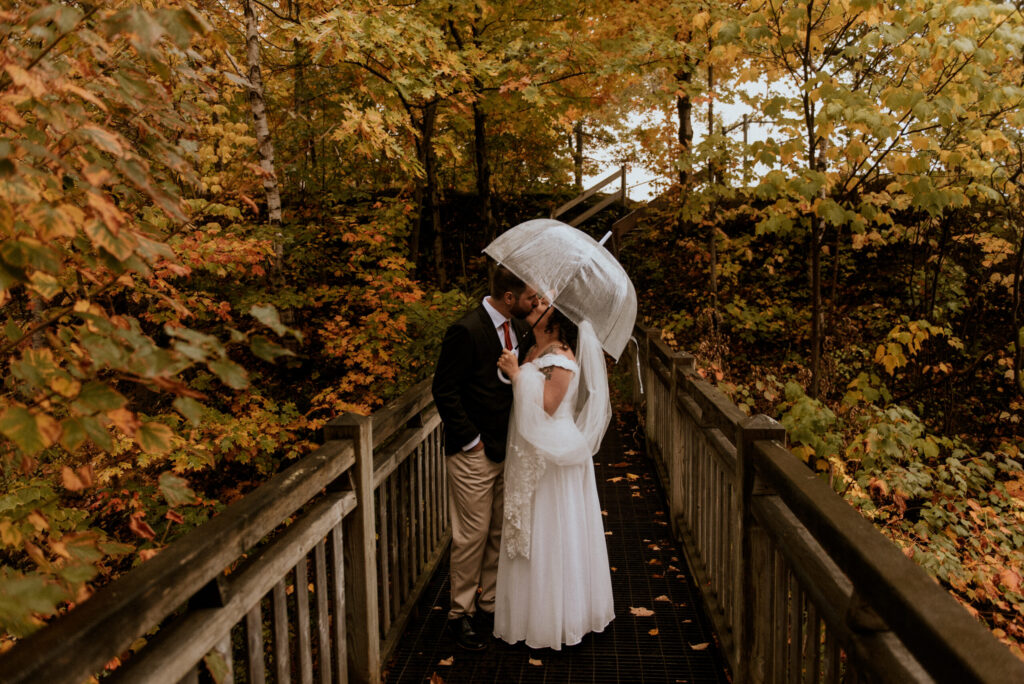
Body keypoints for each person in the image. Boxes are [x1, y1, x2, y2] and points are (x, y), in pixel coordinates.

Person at [493, 300, 615, 650]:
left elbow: (547, 406)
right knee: (533, 529)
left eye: (545, 303)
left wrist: (517, 375)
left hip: (554, 453)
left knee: (553, 529)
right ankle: (529, 613)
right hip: (532, 449)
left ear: (558, 318)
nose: (537, 304)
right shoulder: (534, 349)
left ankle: (561, 617)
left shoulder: (561, 357)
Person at [431, 265, 539, 651]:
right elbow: (444, 390)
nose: (534, 303)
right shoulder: (466, 330)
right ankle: (459, 614)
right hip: (473, 453)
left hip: (508, 448)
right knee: (471, 535)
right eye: (530, 298)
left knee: (498, 530)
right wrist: (471, 441)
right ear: (509, 298)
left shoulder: (520, 328)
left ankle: (489, 602)